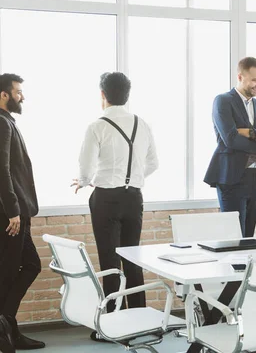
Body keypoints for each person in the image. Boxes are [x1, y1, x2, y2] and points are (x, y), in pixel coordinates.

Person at [72, 72, 158, 342]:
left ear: (103, 95)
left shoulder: (97, 126)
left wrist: (85, 181)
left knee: (109, 261)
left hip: (106, 198)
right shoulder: (142, 124)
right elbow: (153, 163)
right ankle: (141, 320)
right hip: (135, 197)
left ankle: (111, 324)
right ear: (127, 95)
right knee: (133, 258)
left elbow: (86, 167)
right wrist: (131, 177)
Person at [204, 57, 256, 237]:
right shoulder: (223, 101)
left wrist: (251, 133)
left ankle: (247, 267)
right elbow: (230, 139)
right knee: (233, 238)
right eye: (255, 80)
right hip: (231, 178)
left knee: (248, 238)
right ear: (240, 77)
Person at [0, 73, 45, 351]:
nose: (22, 96)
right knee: (9, 271)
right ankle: (6, 331)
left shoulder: (8, 122)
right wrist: (13, 211)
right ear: (4, 94)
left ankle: (8, 327)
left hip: (18, 213)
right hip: (11, 216)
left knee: (30, 265)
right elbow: (1, 170)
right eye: (18, 92)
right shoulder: (2, 124)